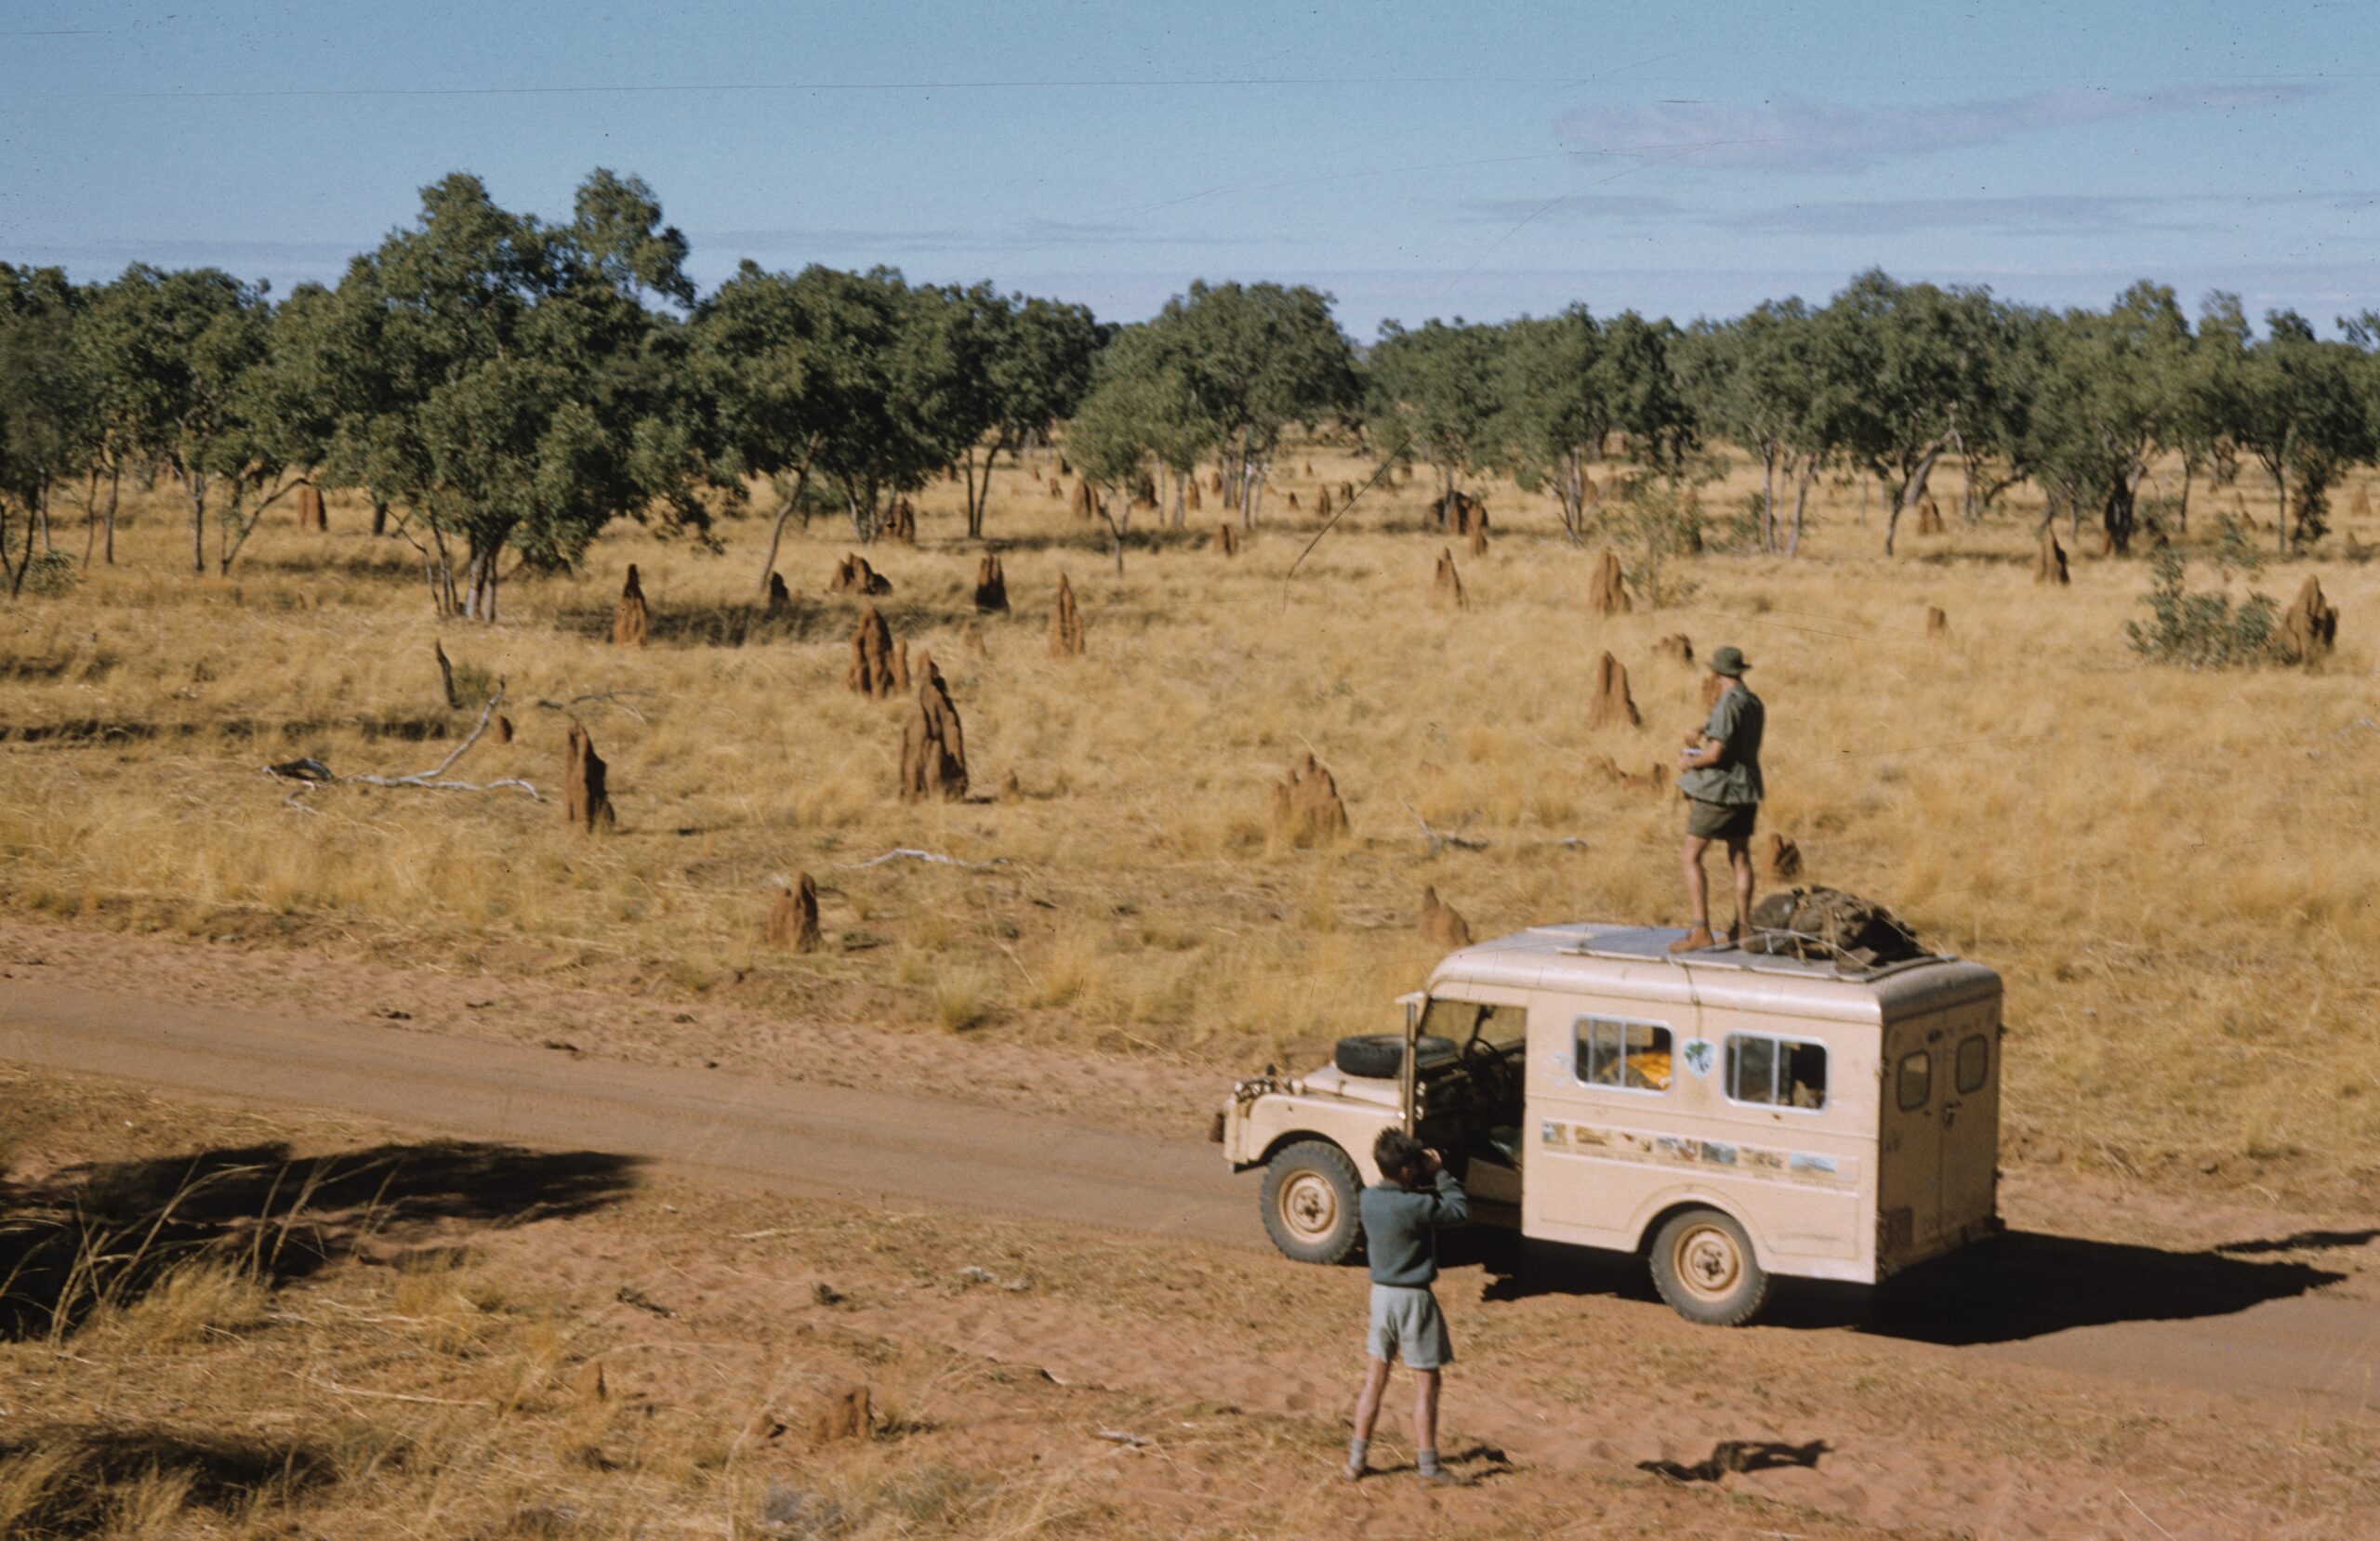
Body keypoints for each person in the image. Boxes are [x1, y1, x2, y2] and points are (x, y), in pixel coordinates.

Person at [1344, 1127, 1469, 1483]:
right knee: (1427, 1384)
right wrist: (1441, 1172)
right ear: (1406, 1170)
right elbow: (1459, 1212)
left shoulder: (1367, 1198)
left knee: (1375, 1381)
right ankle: (1429, 1465)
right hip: (1414, 1298)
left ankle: (1356, 1460)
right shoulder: (1416, 1204)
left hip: (1381, 1296)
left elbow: (1395, 1198)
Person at [1671, 644, 1765, 954]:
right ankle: (1743, 928)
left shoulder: (1727, 703)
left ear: (1717, 673)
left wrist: (1689, 762)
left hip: (1721, 791)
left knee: (1690, 855)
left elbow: (1715, 753)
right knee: (1740, 856)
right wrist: (1704, 728)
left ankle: (1701, 930)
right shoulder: (1754, 702)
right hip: (1747, 789)